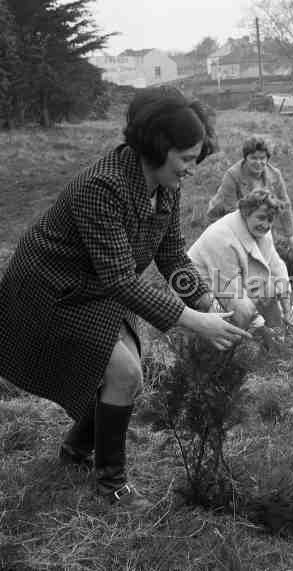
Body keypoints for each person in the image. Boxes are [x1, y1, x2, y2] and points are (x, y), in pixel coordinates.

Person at [0, 87, 250, 508]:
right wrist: (193, 320)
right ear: (157, 147)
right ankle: (111, 486)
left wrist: (205, 301)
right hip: (50, 289)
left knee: (121, 369)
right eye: (186, 159)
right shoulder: (103, 187)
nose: (191, 170)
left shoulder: (165, 186)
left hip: (95, 286)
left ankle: (76, 452)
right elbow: (120, 279)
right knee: (126, 372)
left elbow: (171, 253)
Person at [188, 189, 292, 332]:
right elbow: (230, 292)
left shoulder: (261, 231)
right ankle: (244, 341)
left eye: (270, 220)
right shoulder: (222, 237)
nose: (266, 225)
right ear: (246, 213)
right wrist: (259, 324)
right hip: (197, 289)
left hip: (231, 281)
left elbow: (276, 265)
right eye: (261, 217)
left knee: (269, 290)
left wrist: (286, 306)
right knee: (243, 317)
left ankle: (278, 334)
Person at [206, 135, 293, 252]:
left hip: (254, 216)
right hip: (223, 216)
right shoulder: (232, 175)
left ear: (267, 159)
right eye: (253, 158)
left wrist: (290, 235)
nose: (258, 162)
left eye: (262, 158)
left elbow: (284, 204)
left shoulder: (275, 174)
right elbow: (230, 209)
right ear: (245, 158)